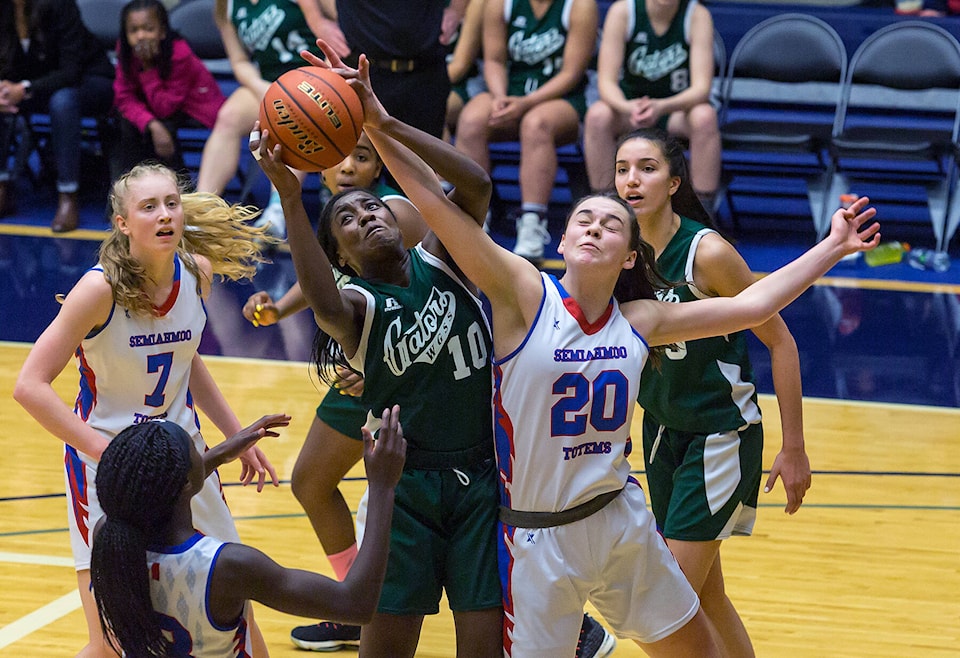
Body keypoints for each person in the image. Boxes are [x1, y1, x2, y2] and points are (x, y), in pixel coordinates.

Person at [341, 47, 881, 656]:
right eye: (584, 219)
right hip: (538, 541)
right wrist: (378, 125)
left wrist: (831, 247)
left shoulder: (643, 319)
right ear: (564, 239)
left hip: (622, 523)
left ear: (629, 255)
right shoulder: (523, 293)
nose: (595, 225)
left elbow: (756, 308)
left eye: (611, 224)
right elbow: (435, 202)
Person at [250, 41, 503, 657]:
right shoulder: (357, 305)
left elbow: (477, 186)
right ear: (340, 258)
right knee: (386, 646)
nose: (366, 216)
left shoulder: (444, 258)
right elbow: (328, 306)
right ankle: (348, 605)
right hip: (408, 490)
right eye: (348, 221)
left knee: (484, 647)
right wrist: (289, 194)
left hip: (482, 481)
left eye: (371, 206)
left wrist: (382, 122)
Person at [13, 162, 280, 658]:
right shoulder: (98, 291)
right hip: (104, 467)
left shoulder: (195, 272)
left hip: (185, 465)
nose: (164, 215)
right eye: (149, 207)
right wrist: (109, 454)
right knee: (113, 641)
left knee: (235, 611)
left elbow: (188, 359)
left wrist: (235, 434)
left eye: (171, 203)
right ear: (122, 222)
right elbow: (29, 385)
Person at [614, 128, 811, 655]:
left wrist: (793, 448)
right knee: (707, 597)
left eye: (647, 168)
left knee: (663, 603)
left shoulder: (707, 254)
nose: (632, 179)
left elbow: (782, 342)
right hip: (662, 432)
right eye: (622, 168)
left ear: (675, 181)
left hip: (720, 436)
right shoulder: (620, 255)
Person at [242, 132, 424, 652]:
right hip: (364, 368)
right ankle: (352, 605)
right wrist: (279, 309)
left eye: (362, 157)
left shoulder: (394, 212)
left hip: (421, 369)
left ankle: (550, 618)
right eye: (337, 157)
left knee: (451, 513)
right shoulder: (334, 224)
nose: (346, 166)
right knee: (311, 481)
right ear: (317, 167)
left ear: (379, 169)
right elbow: (329, 282)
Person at [90, 409, 405, 658]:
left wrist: (221, 453)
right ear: (186, 481)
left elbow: (157, 485)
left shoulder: (111, 536)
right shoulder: (226, 566)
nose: (203, 454)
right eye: (196, 452)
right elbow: (356, 605)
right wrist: (382, 487)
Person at [454, 0, 598, 262]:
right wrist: (499, 97)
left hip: (563, 100)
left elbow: (571, 73)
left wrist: (526, 103)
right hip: (511, 94)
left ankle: (533, 222)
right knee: (472, 118)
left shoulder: (580, 6)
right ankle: (474, 215)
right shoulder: (500, 4)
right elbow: (494, 60)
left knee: (536, 124)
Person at [195, 0, 332, 238]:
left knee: (288, 118)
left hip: (316, 78)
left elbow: (343, 27)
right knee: (229, 116)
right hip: (269, 81)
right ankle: (200, 211)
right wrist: (262, 88)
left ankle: (279, 211)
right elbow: (239, 62)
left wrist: (328, 79)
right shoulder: (225, 6)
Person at [583, 0, 721, 213]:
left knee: (705, 116)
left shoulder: (697, 15)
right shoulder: (623, 11)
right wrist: (627, 107)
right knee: (598, 115)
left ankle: (703, 212)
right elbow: (606, 82)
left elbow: (701, 88)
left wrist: (662, 106)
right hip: (631, 108)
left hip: (675, 108)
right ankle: (606, 206)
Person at [0, 0, 115, 232]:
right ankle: (3, 187)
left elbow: (70, 71)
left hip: (87, 79)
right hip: (37, 84)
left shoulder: (60, 5)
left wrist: (24, 89)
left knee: (62, 102)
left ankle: (68, 195)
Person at [112, 0, 226, 174]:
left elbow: (165, 108)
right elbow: (123, 96)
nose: (141, 36)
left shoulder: (179, 53)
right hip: (153, 104)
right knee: (126, 122)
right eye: (134, 30)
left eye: (148, 29)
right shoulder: (125, 50)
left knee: (164, 125)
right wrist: (151, 124)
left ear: (163, 31)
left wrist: (148, 68)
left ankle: (178, 184)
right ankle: (128, 185)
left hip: (194, 105)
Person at [444, 0, 486, 143]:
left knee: (426, 107)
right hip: (425, 79)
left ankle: (441, 165)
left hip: (466, 82)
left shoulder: (477, 4)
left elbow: (459, 67)